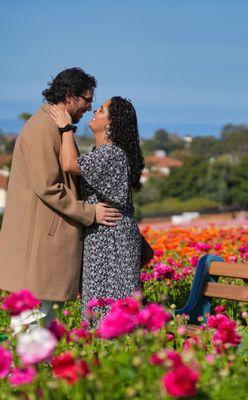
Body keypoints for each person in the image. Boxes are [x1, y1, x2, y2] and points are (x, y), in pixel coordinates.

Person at [0, 68, 122, 334]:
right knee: (33, 317)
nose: (89, 106)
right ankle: (26, 371)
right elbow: (48, 186)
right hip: (41, 242)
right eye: (87, 100)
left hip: (45, 239)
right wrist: (89, 213)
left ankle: (34, 370)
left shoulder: (53, 127)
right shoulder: (42, 129)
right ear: (70, 96)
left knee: (41, 318)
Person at [47, 96, 144, 323]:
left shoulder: (111, 153)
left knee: (110, 304)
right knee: (102, 302)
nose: (95, 112)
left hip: (112, 238)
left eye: (100, 110)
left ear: (111, 123)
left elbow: (70, 164)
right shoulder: (103, 152)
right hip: (104, 234)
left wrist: (66, 128)